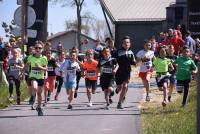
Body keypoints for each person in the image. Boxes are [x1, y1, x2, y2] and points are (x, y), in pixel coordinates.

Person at [26, 41, 48, 116]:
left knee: (39, 94)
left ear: (42, 49)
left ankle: (39, 107)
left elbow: (46, 69)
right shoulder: (30, 57)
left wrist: (40, 67)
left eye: (39, 48)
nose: (38, 49)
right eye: (36, 48)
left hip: (41, 78)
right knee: (34, 88)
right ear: (34, 49)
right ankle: (32, 97)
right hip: (33, 76)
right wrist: (21, 73)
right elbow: (26, 66)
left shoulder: (44, 58)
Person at [115, 36, 136, 109]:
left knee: (125, 86)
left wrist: (137, 62)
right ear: (122, 44)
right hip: (119, 72)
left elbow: (133, 62)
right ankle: (118, 89)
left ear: (130, 44)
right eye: (124, 42)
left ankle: (119, 103)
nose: (126, 43)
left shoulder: (131, 52)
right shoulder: (118, 51)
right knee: (119, 87)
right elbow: (114, 61)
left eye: (127, 42)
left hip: (127, 72)